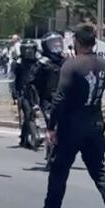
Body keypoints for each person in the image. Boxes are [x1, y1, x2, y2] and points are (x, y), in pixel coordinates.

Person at [30, 24, 105, 208]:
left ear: (76, 41)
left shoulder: (72, 66)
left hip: (71, 126)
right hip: (94, 124)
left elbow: (60, 98)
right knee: (99, 171)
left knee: (59, 172)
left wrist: (51, 127)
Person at [32, 32, 67, 167]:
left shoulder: (66, 62)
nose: (57, 45)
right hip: (48, 101)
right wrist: (35, 103)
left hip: (65, 100)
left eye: (59, 42)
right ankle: (51, 158)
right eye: (53, 43)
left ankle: (58, 155)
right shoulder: (42, 64)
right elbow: (32, 84)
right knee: (54, 128)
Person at [12, 38, 41, 149]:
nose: (29, 52)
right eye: (26, 49)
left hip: (36, 92)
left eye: (31, 49)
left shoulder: (38, 63)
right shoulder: (18, 64)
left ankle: (24, 138)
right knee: (29, 113)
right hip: (23, 92)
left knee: (29, 116)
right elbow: (13, 80)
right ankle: (35, 136)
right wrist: (15, 94)